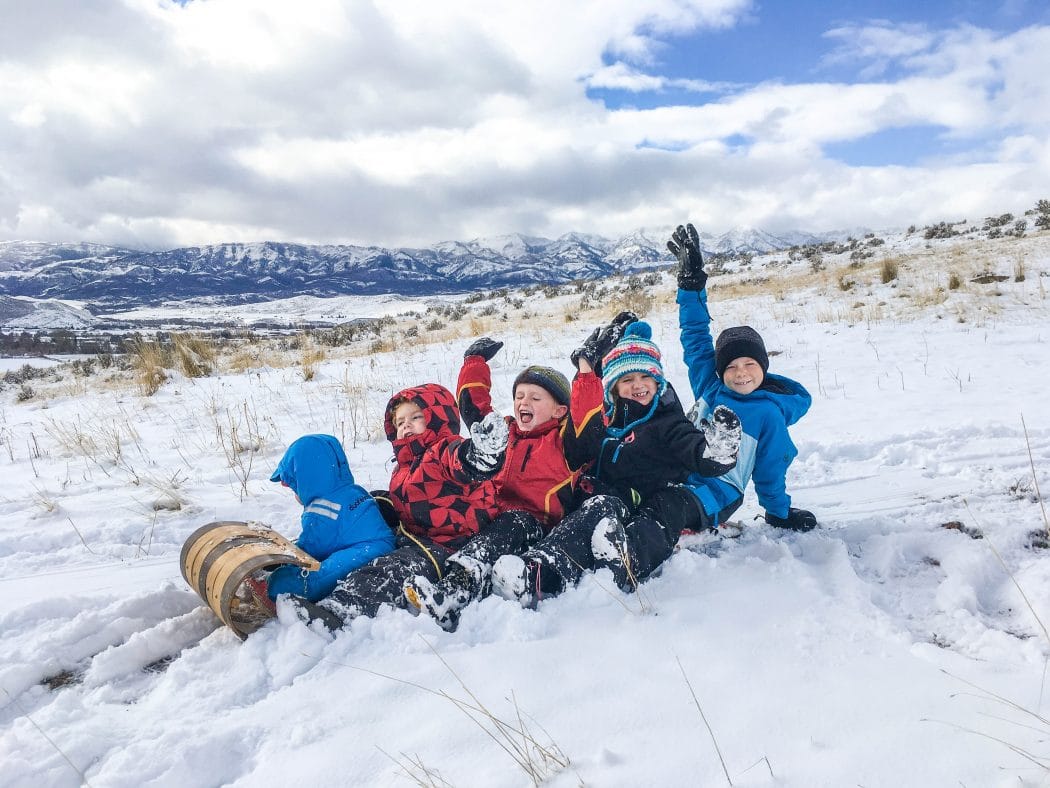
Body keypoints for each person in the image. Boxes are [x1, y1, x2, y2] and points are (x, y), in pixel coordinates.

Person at [489, 317, 742, 606]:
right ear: (612, 386)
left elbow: (698, 453)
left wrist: (718, 452)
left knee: (644, 515)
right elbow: (581, 427)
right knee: (582, 507)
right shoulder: (608, 419)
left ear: (658, 381)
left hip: (648, 497)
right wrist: (589, 366)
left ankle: (545, 571)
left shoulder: (668, 422)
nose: (638, 386)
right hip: (603, 493)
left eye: (646, 377)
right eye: (627, 379)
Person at [403, 316, 635, 630]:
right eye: (519, 396)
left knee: (508, 527)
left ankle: (454, 594)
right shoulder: (506, 432)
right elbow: (475, 411)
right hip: (484, 511)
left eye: (536, 398)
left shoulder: (563, 443)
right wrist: (474, 362)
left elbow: (588, 423)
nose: (523, 402)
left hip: (530, 521)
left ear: (560, 410)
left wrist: (586, 369)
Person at [292, 383, 509, 629]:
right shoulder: (405, 463)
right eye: (400, 422)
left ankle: (339, 609)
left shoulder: (442, 452)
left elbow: (462, 460)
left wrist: (482, 453)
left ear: (439, 420)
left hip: (448, 544)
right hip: (415, 533)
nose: (406, 425)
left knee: (390, 570)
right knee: (367, 507)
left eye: (416, 417)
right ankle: (311, 558)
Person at [670, 221, 815, 535]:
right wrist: (691, 287)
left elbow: (771, 468)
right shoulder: (710, 385)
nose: (741, 373)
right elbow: (694, 337)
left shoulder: (767, 414)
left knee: (667, 510)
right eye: (731, 366)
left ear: (764, 367)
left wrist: (778, 512)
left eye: (750, 363)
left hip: (719, 493)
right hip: (676, 473)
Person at [249, 434, 395, 609]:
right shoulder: (352, 490)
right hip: (379, 543)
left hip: (366, 552)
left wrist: (287, 560)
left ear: (306, 480)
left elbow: (311, 550)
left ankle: (274, 587)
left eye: (295, 486)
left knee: (319, 578)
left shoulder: (322, 508)